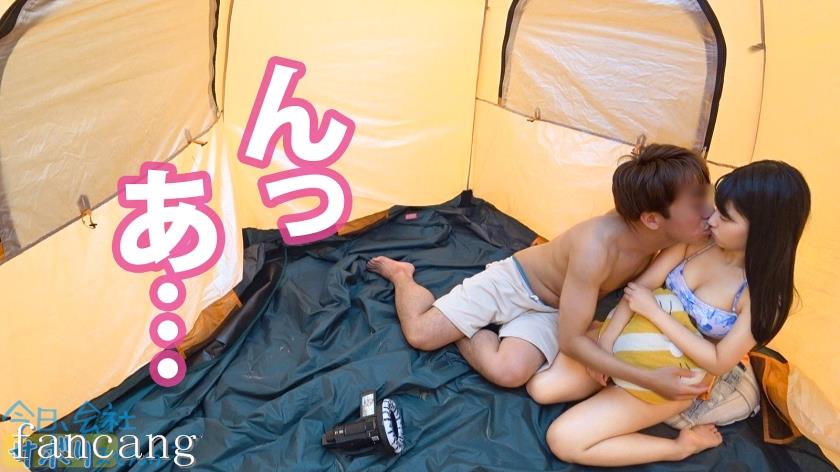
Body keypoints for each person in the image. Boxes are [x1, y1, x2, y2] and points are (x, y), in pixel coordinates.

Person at [367, 144, 713, 401]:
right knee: (421, 334)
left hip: (557, 308)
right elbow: (572, 341)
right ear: (651, 219)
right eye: (697, 204)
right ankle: (403, 276)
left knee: (509, 372)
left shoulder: (669, 232)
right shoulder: (596, 248)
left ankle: (464, 323)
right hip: (516, 282)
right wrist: (650, 379)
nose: (709, 211)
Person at [544, 160, 811, 466]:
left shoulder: (763, 297)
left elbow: (718, 360)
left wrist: (655, 313)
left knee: (563, 439)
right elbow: (640, 289)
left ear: (763, 232)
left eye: (725, 218)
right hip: (632, 335)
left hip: (673, 374)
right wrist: (605, 345)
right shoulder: (699, 243)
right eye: (716, 208)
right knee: (544, 388)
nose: (711, 220)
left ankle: (681, 447)